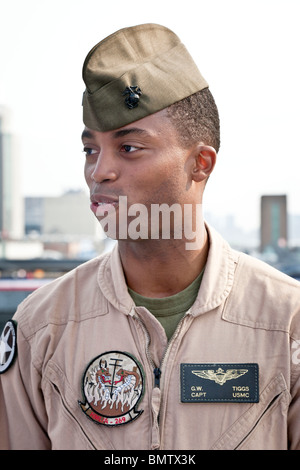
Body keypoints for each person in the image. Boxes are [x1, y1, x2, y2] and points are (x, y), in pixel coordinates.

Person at [0, 23, 300, 451]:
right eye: (90, 149)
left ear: (200, 163)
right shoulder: (41, 327)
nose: (98, 171)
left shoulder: (287, 323)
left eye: (128, 148)